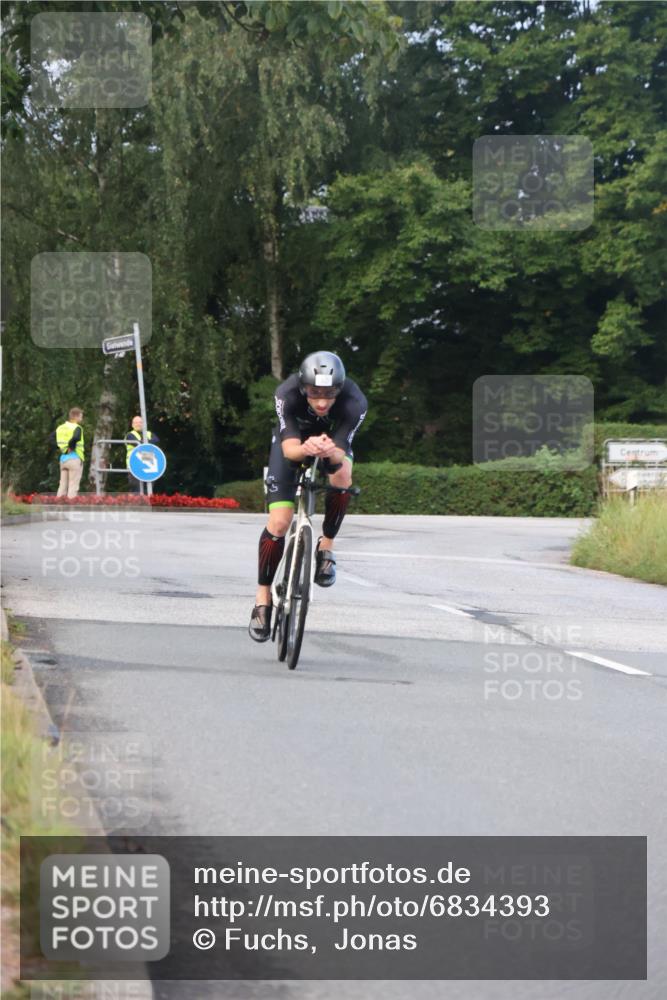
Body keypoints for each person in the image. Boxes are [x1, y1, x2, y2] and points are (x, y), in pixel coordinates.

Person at [249, 351, 367, 642]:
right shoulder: (286, 394)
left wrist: (328, 452)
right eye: (315, 393)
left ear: (340, 389)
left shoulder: (355, 402)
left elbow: (340, 454)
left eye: (330, 394)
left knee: (342, 477)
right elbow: (290, 451)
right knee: (279, 523)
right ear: (304, 388)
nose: (323, 401)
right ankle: (262, 597)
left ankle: (326, 547)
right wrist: (307, 447)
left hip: (332, 446)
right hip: (293, 443)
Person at [54, 407, 85, 499]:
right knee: (73, 485)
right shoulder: (77, 428)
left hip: (63, 459)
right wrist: (70, 447)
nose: (82, 418)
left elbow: (51, 439)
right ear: (76, 417)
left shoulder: (60, 428)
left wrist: (63, 449)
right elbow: (76, 438)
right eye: (81, 416)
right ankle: (70, 506)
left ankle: (58, 505)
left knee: (62, 485)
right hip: (74, 458)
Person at [125, 416, 159, 493]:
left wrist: (143, 441)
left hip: (149, 465)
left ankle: (148, 502)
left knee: (149, 490)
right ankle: (136, 504)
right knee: (136, 490)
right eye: (136, 422)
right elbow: (138, 444)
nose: (138, 424)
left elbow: (156, 441)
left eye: (140, 422)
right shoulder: (130, 435)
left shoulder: (149, 433)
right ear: (132, 425)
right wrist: (148, 442)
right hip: (134, 465)